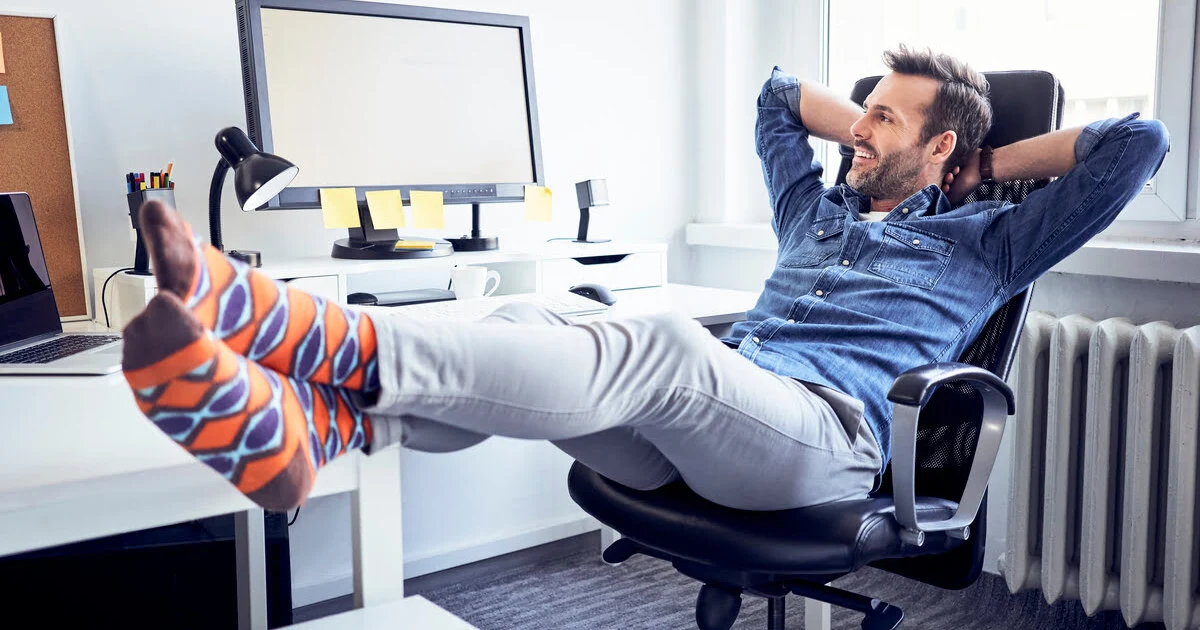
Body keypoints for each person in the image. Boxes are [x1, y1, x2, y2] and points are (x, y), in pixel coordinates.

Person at [121, 45, 1168, 513]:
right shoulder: (816, 207)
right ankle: (313, 439)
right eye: (862, 109)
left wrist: (980, 164)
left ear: (942, 152)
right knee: (537, 314)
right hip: (715, 434)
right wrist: (872, 123)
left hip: (830, 444)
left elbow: (1140, 142)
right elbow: (770, 98)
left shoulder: (989, 241)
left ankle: (298, 331)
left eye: (885, 117)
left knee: (661, 349)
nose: (857, 126)